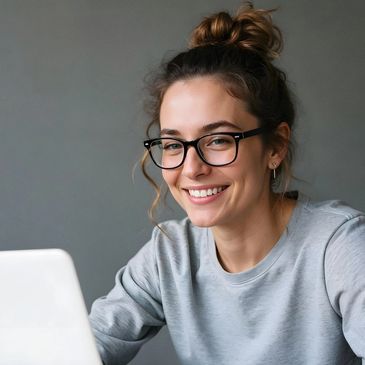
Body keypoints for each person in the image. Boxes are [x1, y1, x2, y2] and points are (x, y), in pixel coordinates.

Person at [89, 2, 365, 364]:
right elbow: (81, 348)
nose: (192, 168)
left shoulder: (339, 248)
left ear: (275, 147)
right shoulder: (171, 254)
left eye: (218, 140)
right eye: (173, 144)